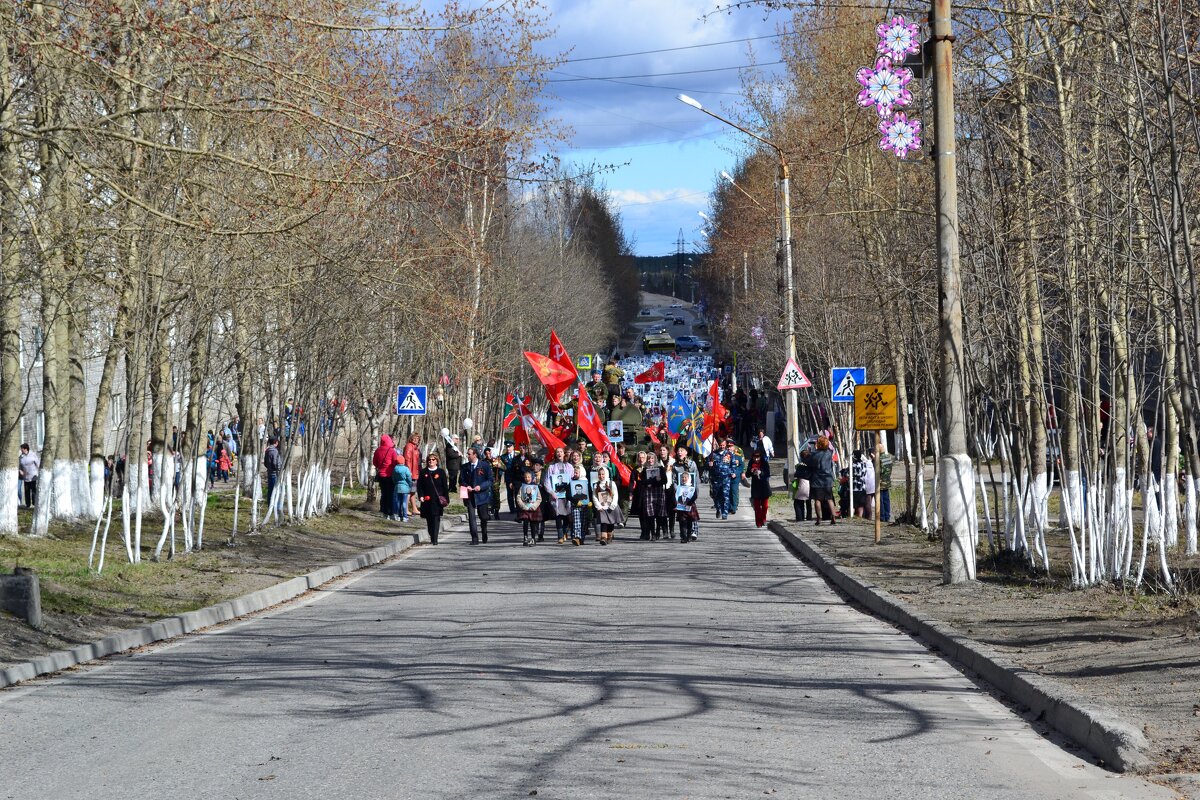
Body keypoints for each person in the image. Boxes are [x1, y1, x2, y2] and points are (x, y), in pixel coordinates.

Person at [459, 447, 493, 544]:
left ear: (475, 455)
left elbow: (490, 480)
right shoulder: (464, 467)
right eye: (467, 454)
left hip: (482, 495)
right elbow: (461, 480)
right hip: (470, 495)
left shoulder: (485, 465)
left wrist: (481, 487)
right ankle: (474, 538)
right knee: (471, 517)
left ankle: (484, 532)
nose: (467, 456)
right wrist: (467, 486)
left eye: (469, 454)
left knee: (484, 517)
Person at [416, 453, 449, 544]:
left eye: (433, 459)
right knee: (429, 519)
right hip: (427, 500)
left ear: (436, 461)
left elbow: (445, 487)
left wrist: (446, 498)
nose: (431, 461)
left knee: (436, 518)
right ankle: (431, 534)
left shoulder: (441, 472)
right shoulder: (423, 472)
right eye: (429, 460)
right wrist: (421, 496)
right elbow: (420, 486)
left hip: (437, 500)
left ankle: (435, 538)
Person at [804, 436, 837, 525]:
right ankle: (833, 517)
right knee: (829, 499)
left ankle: (818, 519)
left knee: (817, 500)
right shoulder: (829, 453)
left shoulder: (814, 454)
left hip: (817, 480)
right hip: (828, 479)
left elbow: (808, 462)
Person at [544, 446, 574, 543]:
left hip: (567, 495)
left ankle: (565, 531)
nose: (559, 454)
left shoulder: (569, 466)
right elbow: (547, 481)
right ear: (555, 454)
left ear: (564, 454)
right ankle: (560, 536)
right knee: (558, 515)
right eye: (557, 452)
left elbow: (572, 480)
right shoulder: (551, 467)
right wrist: (552, 492)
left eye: (561, 452)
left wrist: (570, 492)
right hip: (556, 495)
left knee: (566, 515)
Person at [638, 453, 668, 540]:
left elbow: (664, 480)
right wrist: (653, 480)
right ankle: (653, 533)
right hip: (649, 493)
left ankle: (658, 530)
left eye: (652, 459)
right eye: (649, 459)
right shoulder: (645, 469)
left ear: (655, 459)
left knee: (659, 513)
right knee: (650, 514)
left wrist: (653, 481)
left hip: (658, 492)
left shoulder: (660, 468)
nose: (650, 461)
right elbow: (643, 481)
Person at [372, 434, 401, 520]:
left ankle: (384, 513)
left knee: (384, 494)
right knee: (391, 495)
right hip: (390, 475)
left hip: (381, 475)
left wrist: (380, 467)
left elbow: (375, 463)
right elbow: (395, 462)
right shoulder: (392, 451)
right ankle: (391, 513)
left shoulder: (377, 450)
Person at [592, 469, 621, 545]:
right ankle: (603, 537)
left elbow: (615, 495)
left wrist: (613, 504)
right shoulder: (596, 485)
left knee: (611, 521)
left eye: (603, 474)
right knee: (603, 521)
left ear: (606, 474)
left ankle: (609, 535)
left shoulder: (611, 483)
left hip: (611, 506)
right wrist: (598, 506)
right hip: (602, 506)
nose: (601, 476)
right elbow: (594, 496)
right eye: (599, 474)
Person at [516, 469, 543, 546]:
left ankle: (533, 539)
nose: (527, 478)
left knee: (533, 524)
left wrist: (534, 506)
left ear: (532, 478)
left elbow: (539, 498)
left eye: (529, 477)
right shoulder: (522, 487)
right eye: (525, 477)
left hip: (533, 508)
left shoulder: (535, 487)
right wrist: (522, 505)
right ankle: (525, 537)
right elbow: (518, 497)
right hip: (525, 507)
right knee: (525, 522)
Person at [746, 451, 772, 527]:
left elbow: (768, 474)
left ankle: (763, 519)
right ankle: (758, 522)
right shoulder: (751, 463)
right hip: (755, 487)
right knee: (757, 506)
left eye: (758, 457)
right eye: (755, 457)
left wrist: (761, 472)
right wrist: (751, 472)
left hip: (764, 486)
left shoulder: (764, 463)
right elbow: (747, 474)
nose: (756, 459)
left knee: (765, 506)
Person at [567, 464, 592, 545]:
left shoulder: (586, 482)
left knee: (584, 522)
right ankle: (577, 537)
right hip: (575, 506)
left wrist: (590, 502)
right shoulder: (571, 482)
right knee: (577, 521)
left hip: (585, 506)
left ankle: (582, 538)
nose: (575, 474)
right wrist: (575, 501)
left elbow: (590, 493)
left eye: (577, 472)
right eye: (574, 472)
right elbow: (568, 495)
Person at [675, 471, 700, 543]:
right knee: (682, 522)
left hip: (690, 507)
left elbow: (695, 496)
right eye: (682, 477)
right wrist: (677, 503)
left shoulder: (692, 487)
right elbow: (677, 496)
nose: (684, 479)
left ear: (689, 478)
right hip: (681, 507)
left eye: (685, 477)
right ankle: (683, 537)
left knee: (689, 522)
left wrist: (689, 503)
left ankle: (689, 536)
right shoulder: (679, 487)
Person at [852, 450, 876, 519]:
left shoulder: (863, 464)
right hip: (871, 485)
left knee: (866, 503)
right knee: (865, 504)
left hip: (866, 486)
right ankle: (869, 517)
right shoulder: (868, 463)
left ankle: (868, 518)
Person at [402, 434, 422, 517]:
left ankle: (414, 508)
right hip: (412, 473)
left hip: (416, 472)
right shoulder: (409, 446)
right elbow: (407, 459)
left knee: (413, 492)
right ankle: (405, 509)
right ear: (411, 438)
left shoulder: (415, 447)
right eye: (414, 438)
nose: (416, 439)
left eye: (417, 438)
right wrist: (409, 472)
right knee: (409, 491)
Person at [502, 442, 523, 515]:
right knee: (510, 494)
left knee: (518, 493)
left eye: (509, 447)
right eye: (507, 447)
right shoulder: (503, 457)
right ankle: (512, 509)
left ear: (513, 447)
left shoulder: (517, 455)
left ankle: (519, 508)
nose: (508, 448)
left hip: (518, 477)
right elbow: (502, 467)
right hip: (508, 477)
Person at [793, 449, 812, 522]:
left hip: (803, 484)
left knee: (798, 502)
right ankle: (809, 517)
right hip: (810, 485)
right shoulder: (811, 465)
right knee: (808, 502)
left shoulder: (800, 466)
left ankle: (800, 518)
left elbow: (797, 474)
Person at [18, 444, 39, 509]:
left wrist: (39, 471)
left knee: (33, 491)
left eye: (21, 449)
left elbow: (38, 463)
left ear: (25, 449)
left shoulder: (33, 454)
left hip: (33, 476)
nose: (21, 450)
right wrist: (20, 470)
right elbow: (19, 465)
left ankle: (34, 504)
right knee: (27, 491)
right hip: (25, 476)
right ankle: (28, 505)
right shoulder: (21, 456)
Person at [263, 437, 282, 508]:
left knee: (270, 490)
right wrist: (279, 468)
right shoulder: (274, 451)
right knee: (276, 490)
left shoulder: (267, 450)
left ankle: (270, 504)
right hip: (275, 473)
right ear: (276, 442)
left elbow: (265, 463)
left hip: (270, 472)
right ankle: (277, 506)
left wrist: (269, 467)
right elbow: (275, 463)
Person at [393, 456, 414, 523]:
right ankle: (405, 517)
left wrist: (396, 483)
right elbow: (409, 478)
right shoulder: (406, 469)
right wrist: (410, 485)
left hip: (397, 486)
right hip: (405, 487)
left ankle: (399, 516)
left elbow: (393, 478)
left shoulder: (395, 468)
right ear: (403, 461)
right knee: (404, 502)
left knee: (398, 502)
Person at [877, 444, 895, 522]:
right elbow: (889, 469)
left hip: (880, 483)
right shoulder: (888, 457)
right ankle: (887, 516)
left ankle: (882, 517)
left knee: (880, 501)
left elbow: (880, 471)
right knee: (886, 500)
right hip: (887, 481)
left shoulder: (879, 459)